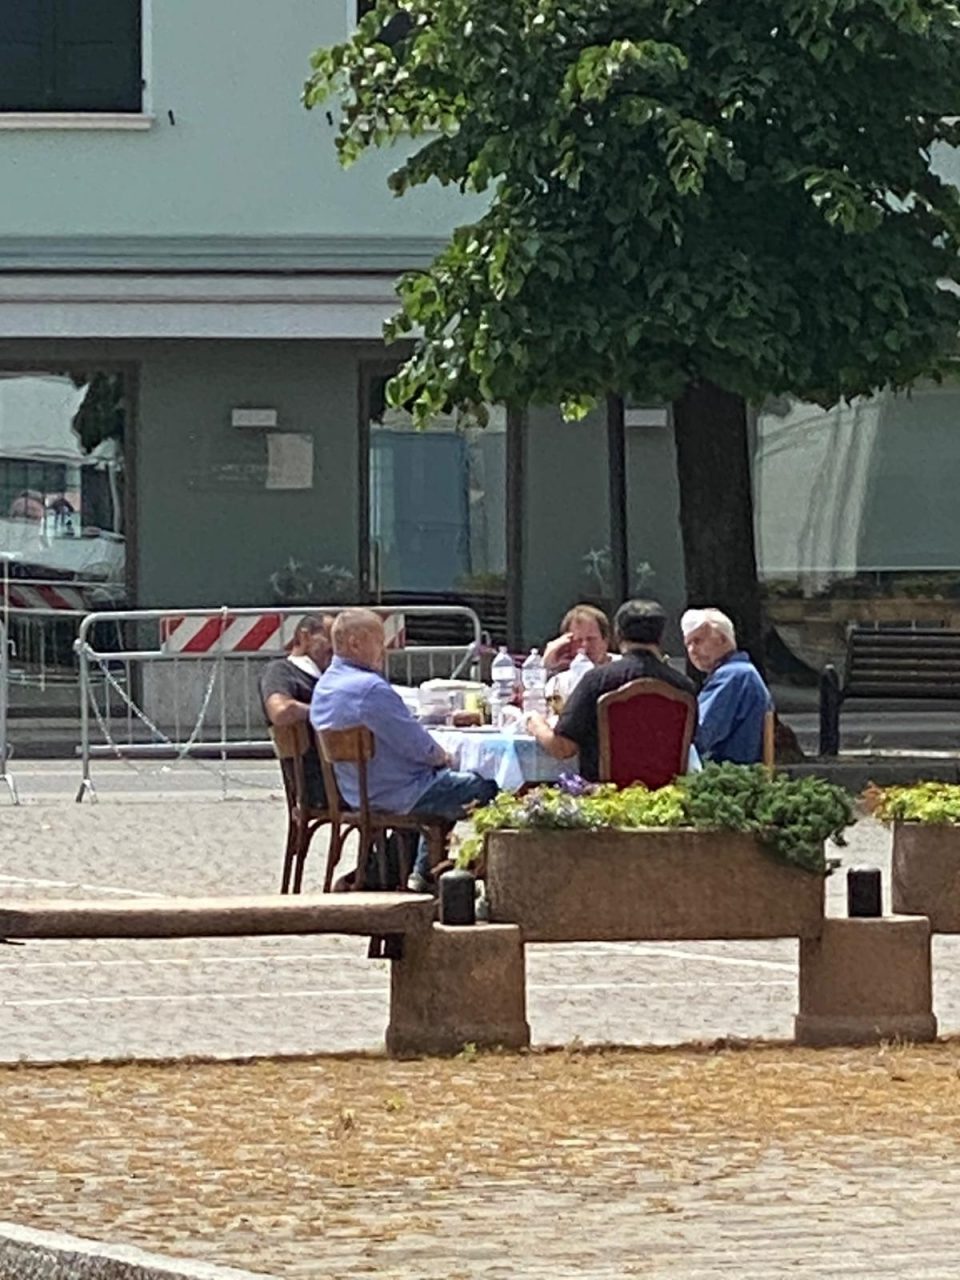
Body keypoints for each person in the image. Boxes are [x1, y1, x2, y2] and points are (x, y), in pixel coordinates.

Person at [310, 608, 497, 892]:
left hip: (358, 791)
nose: (384, 650)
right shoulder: (370, 689)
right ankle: (459, 876)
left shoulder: (325, 686)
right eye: (378, 641)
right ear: (355, 643)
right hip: (401, 793)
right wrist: (444, 757)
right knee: (491, 787)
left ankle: (422, 872)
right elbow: (418, 746)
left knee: (445, 788)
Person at [528, 599, 696, 781]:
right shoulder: (684, 687)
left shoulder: (597, 680)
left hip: (605, 794)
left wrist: (535, 723)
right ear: (661, 636)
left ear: (618, 635)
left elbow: (562, 748)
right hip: (667, 795)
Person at [681, 608, 772, 765]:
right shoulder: (741, 672)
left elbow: (698, 737)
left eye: (698, 641)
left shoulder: (733, 676)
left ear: (722, 639)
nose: (692, 650)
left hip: (727, 774)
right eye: (688, 644)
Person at [260, 614, 333, 808]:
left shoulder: (332, 676)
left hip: (348, 776)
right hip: (323, 785)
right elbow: (280, 711)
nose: (336, 647)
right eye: (330, 638)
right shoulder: (281, 671)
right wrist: (328, 712)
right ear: (305, 636)